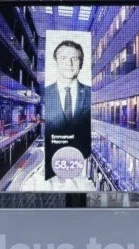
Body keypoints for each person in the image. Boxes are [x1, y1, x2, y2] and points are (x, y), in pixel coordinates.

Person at [43, 39, 91, 180]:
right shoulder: (46, 93)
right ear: (56, 61)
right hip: (53, 161)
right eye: (63, 58)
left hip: (81, 161)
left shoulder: (91, 94)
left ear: (81, 63)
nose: (69, 64)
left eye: (75, 59)